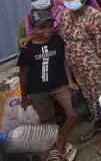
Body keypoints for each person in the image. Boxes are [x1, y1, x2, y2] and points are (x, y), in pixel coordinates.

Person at [59, 0, 101, 156]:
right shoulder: (65, 16)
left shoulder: (95, 17)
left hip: (94, 67)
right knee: (90, 98)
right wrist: (69, 74)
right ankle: (100, 125)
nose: (69, 0)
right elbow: (66, 44)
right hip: (77, 68)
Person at [18, 10, 79, 160]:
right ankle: (54, 148)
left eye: (50, 25)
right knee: (47, 120)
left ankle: (61, 140)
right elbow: (23, 75)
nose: (48, 30)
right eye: (42, 27)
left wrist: (70, 81)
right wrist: (24, 96)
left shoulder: (58, 40)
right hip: (37, 90)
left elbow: (65, 61)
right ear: (32, 29)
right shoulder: (27, 49)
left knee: (73, 113)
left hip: (60, 84)